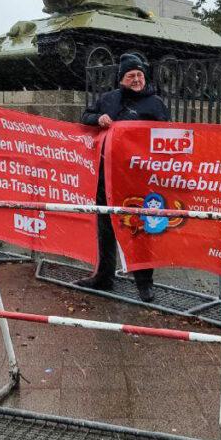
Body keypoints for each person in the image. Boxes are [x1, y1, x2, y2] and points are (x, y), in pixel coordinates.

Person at [76, 53, 169, 302]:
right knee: (105, 228)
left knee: (139, 229)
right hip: (107, 175)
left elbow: (166, 136)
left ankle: (144, 283)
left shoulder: (155, 104)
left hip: (138, 178)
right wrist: (98, 118)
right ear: (122, 79)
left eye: (139, 74)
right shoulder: (108, 100)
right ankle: (104, 276)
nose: (137, 79)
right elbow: (85, 116)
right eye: (131, 75)